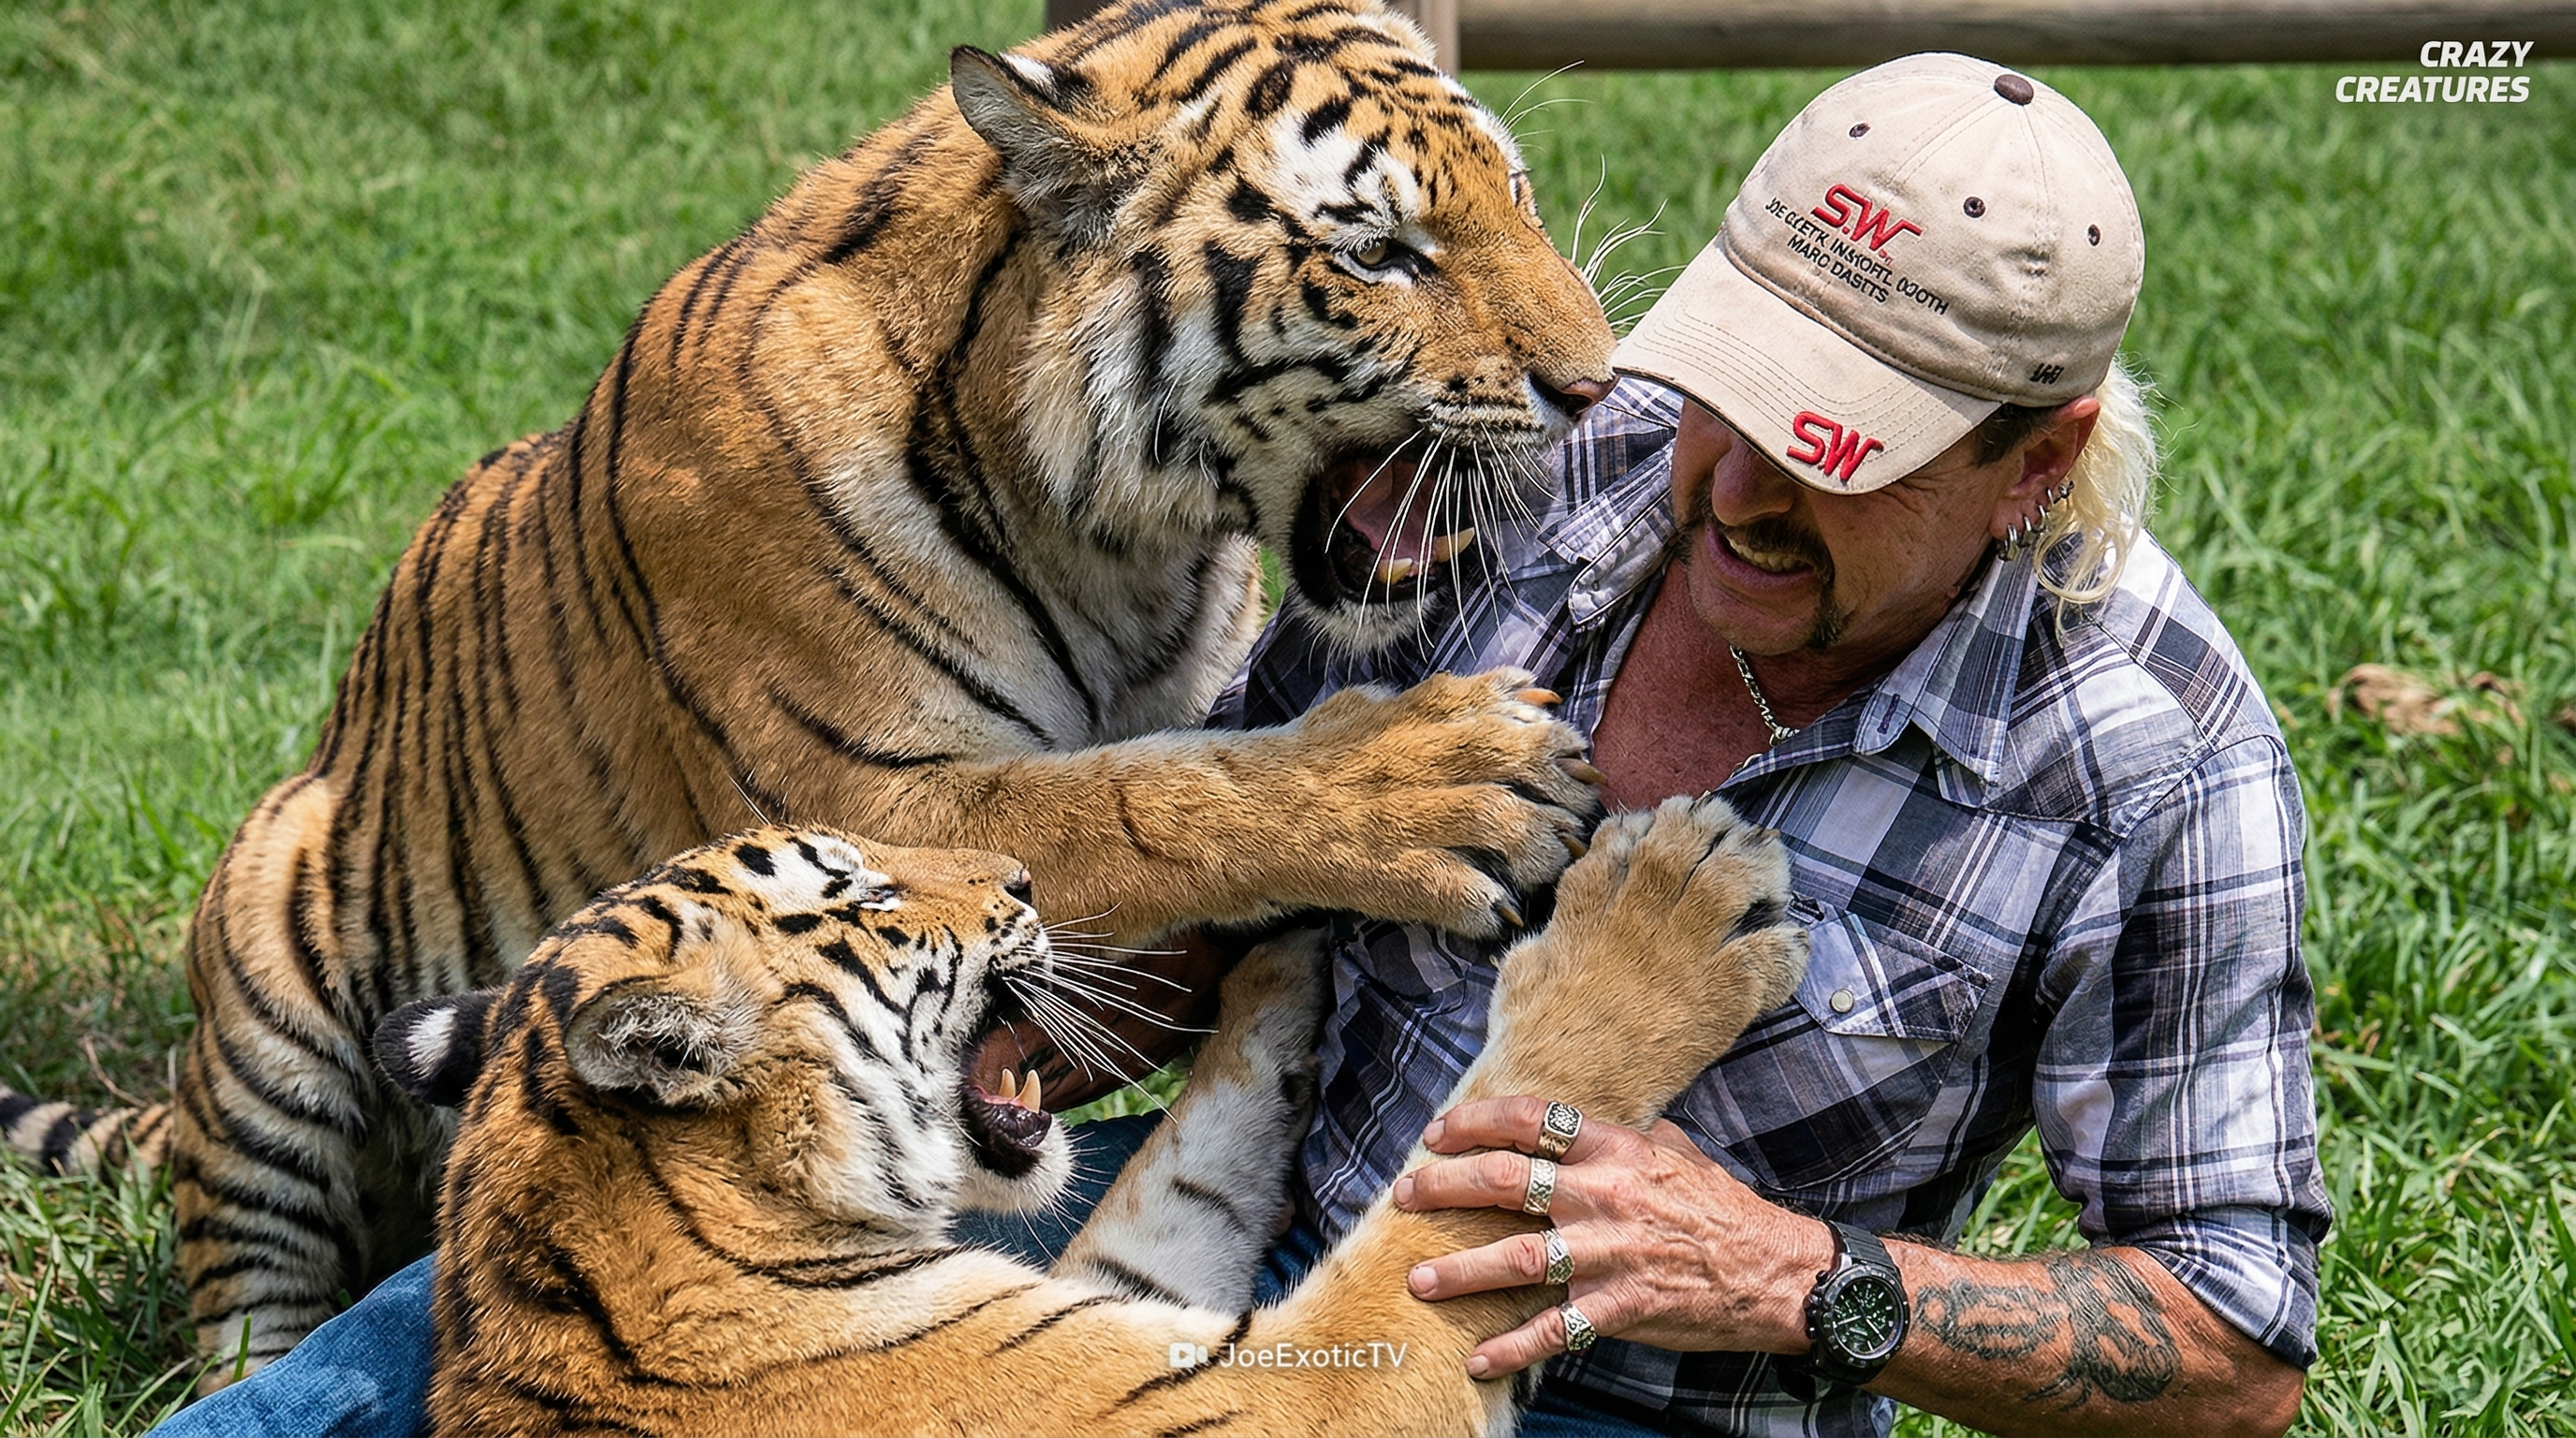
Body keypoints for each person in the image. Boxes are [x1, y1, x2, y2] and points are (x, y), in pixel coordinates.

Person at [153, 53, 2328, 1438]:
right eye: (1730, 383)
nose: (1722, 477)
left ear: (2036, 458)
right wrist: (1007, 1038)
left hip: (1604, 1403)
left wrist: (1802, 1285)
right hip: (1227, 1187)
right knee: (544, 1312)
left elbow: (2228, 1345)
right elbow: (1247, 859)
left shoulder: (2149, 760)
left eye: (1831, 454)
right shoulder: (1573, 458)